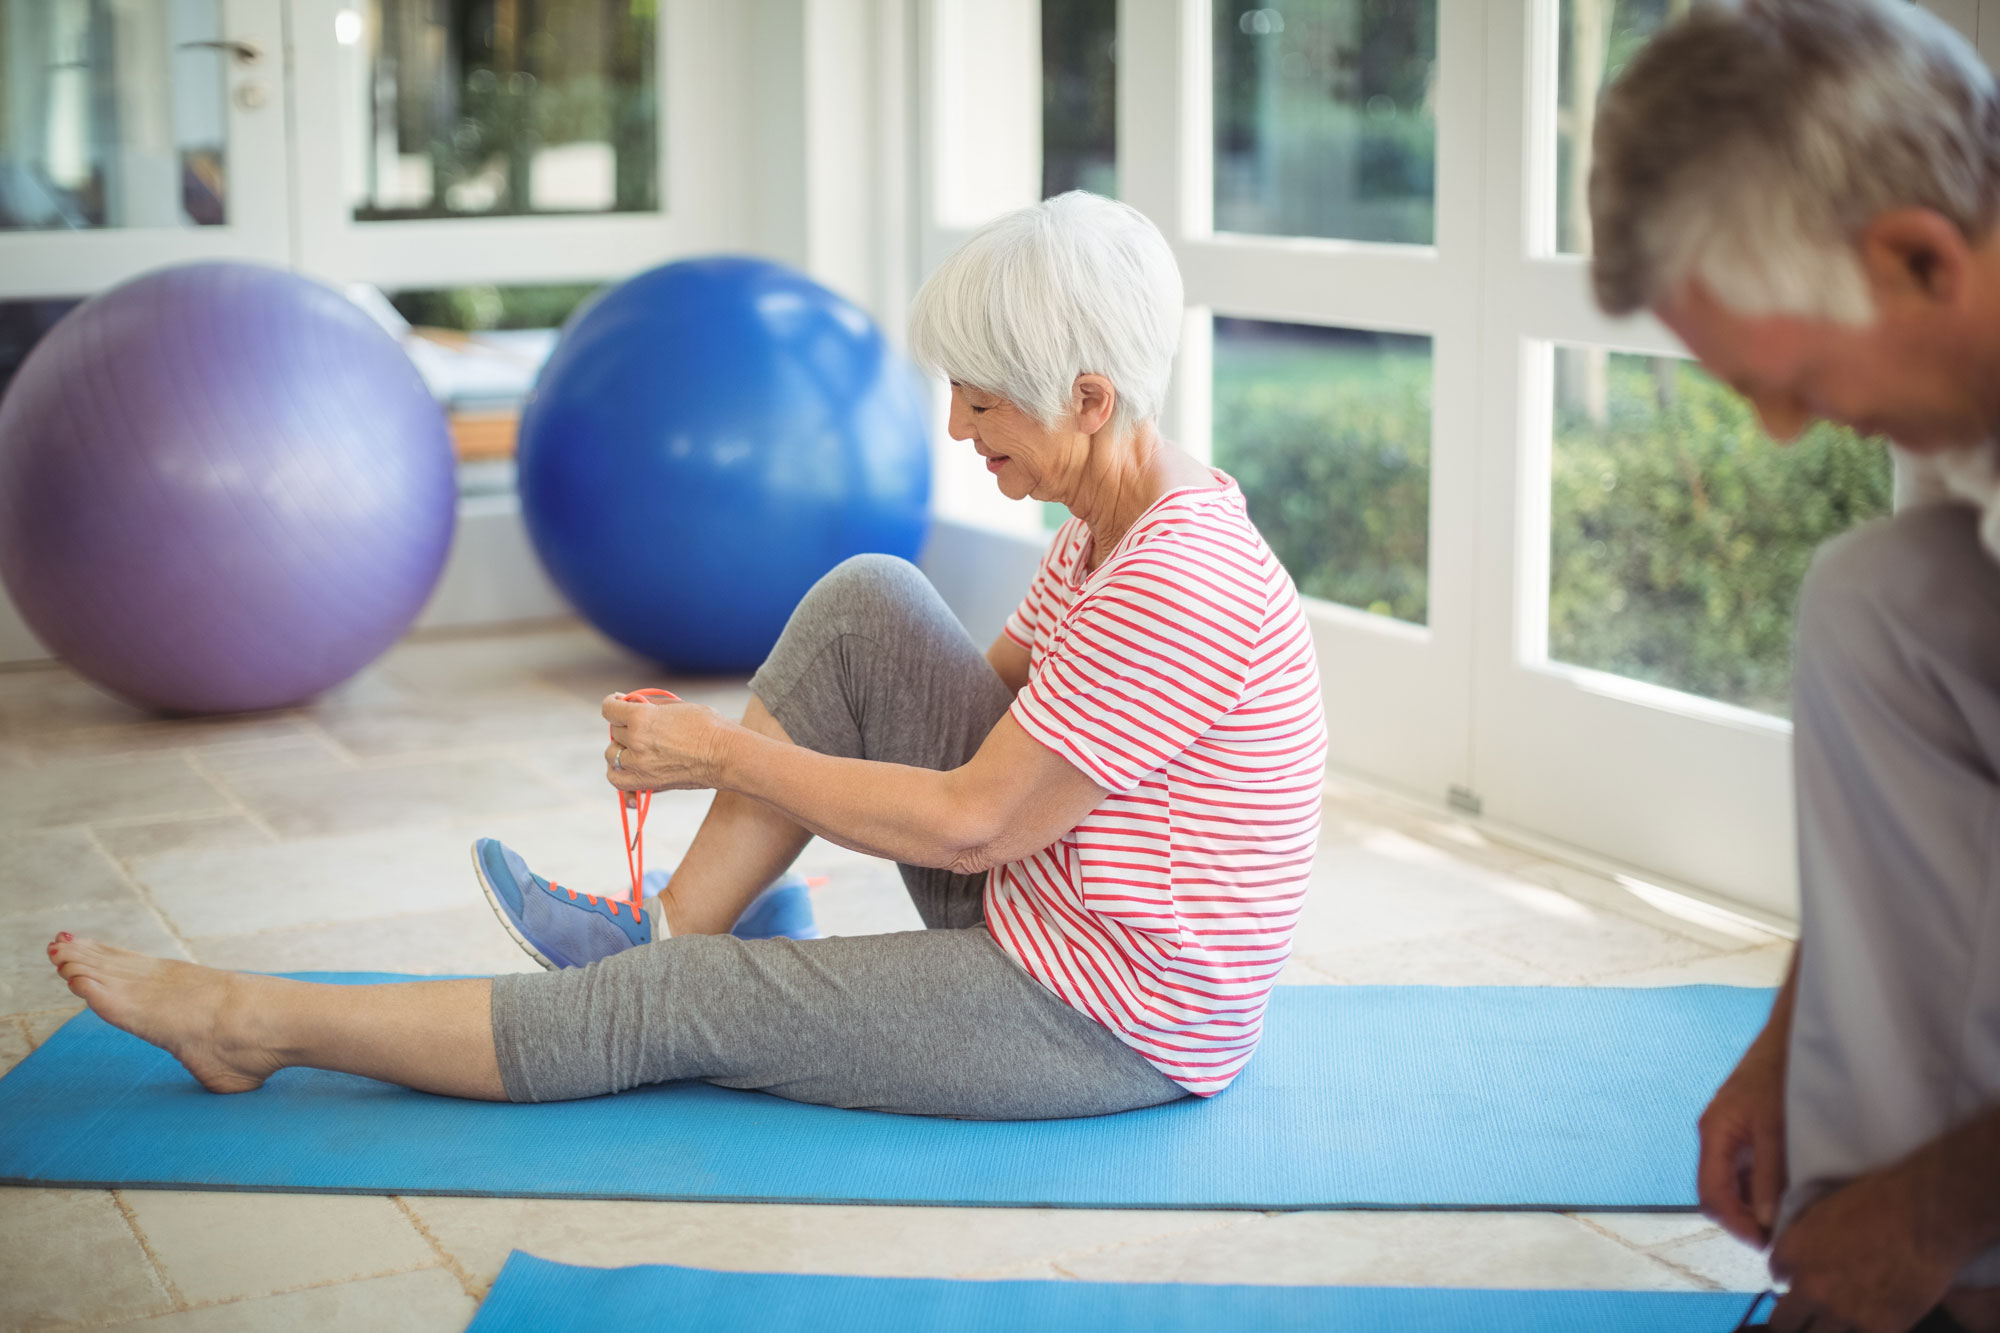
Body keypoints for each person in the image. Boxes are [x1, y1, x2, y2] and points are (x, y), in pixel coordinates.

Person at [45, 191, 1327, 1122]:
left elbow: (971, 825)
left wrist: (719, 754)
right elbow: (972, 711)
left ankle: (249, 1023)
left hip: (1103, 1015)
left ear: (1089, 400)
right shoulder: (1109, 522)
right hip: (1048, 893)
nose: (954, 429)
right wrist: (764, 773)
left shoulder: (1173, 576)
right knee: (871, 598)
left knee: (686, 1009)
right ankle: (666, 925)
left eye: (983, 402)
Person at [1588, 3, 2000, 1329]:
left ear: (1921, 259)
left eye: (1797, 377)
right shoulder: (1960, 371)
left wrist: (1935, 1213)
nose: (1777, 431)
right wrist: (1786, 1044)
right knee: (1877, 594)